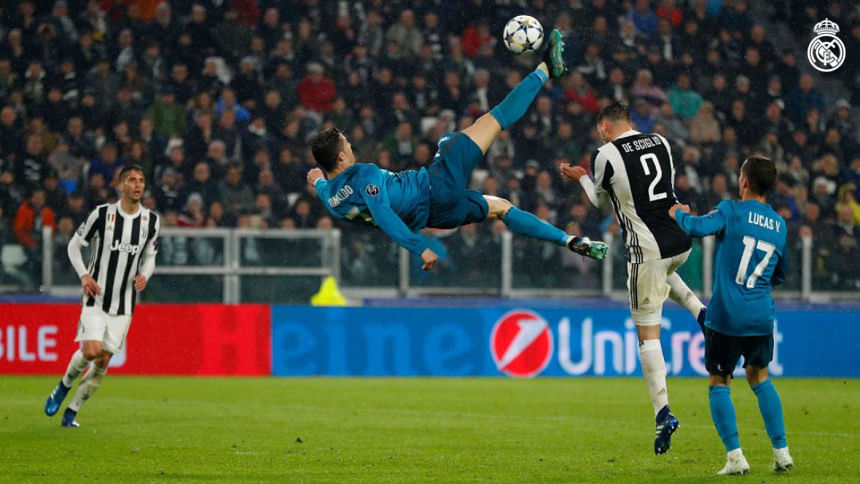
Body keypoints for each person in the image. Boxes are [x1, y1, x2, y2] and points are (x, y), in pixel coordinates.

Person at [307, 31, 608, 269]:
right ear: (341, 157)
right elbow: (383, 214)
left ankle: (570, 241)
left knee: (502, 207)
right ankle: (547, 68)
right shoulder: (364, 175)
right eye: (347, 145)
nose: (352, 146)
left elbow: (322, 183)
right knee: (491, 120)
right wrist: (419, 248)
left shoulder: (331, 199)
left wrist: (317, 179)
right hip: (434, 188)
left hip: (438, 216)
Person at [560, 102, 706, 455]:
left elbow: (600, 202)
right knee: (664, 274)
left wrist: (581, 176)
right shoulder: (661, 141)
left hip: (647, 248)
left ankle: (663, 414)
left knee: (647, 336)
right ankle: (703, 314)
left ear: (604, 127)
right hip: (679, 240)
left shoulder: (605, 154)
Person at [669, 157, 793, 475]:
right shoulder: (779, 225)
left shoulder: (731, 210)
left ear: (745, 182)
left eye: (740, 174)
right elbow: (780, 274)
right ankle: (782, 453)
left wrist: (677, 213)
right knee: (760, 378)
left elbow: (697, 227)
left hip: (727, 316)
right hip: (761, 315)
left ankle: (736, 457)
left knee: (719, 381)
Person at [44, 165, 160, 428]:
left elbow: (150, 257)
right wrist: (84, 276)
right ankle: (63, 386)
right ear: (121, 186)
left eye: (141, 180)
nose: (138, 185)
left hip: (124, 304)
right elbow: (74, 246)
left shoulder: (151, 221)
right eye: (132, 180)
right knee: (91, 350)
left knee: (104, 359)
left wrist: (145, 275)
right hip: (95, 298)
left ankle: (73, 410)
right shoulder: (102, 214)